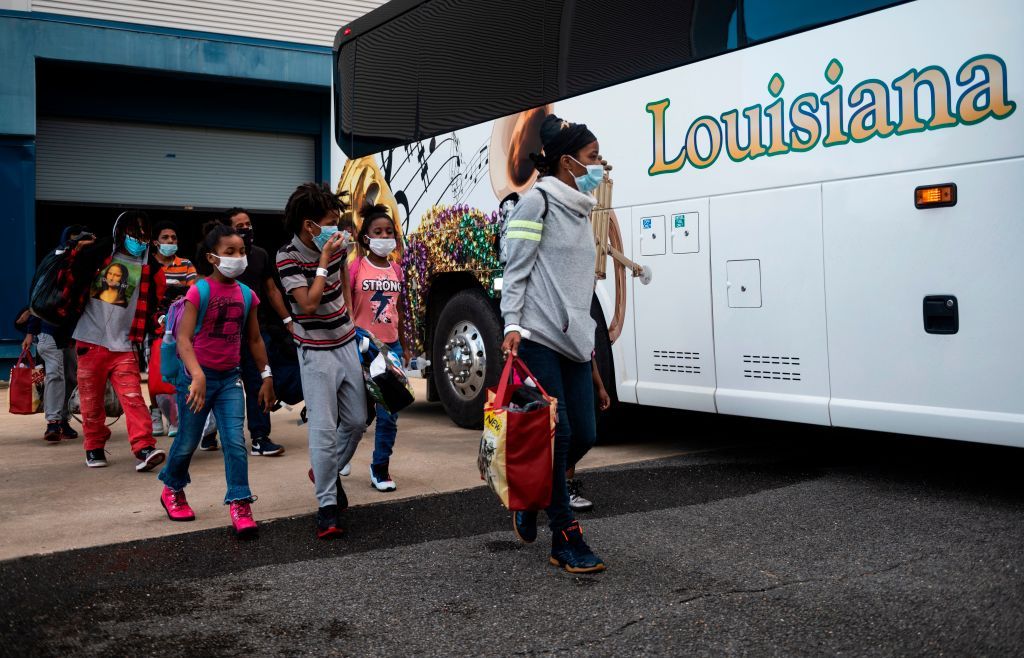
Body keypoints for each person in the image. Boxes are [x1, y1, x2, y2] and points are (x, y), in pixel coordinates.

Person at [500, 114, 607, 574]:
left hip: (574, 341)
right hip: (539, 337)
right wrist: (511, 326)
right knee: (558, 435)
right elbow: (516, 269)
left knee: (585, 433)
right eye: (592, 157)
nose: (601, 165)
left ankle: (534, 496)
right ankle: (564, 536)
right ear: (567, 162)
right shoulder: (536, 203)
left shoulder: (582, 209)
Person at [157, 224, 275, 538]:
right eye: (229, 252)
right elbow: (183, 340)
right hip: (197, 379)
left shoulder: (248, 295)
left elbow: (254, 340)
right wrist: (196, 375)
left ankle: (240, 502)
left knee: (235, 442)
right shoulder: (200, 291)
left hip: (229, 380)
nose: (238, 257)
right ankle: (172, 488)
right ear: (212, 257)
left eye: (241, 252)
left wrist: (266, 376)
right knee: (187, 442)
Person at [276, 182, 364, 539]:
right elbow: (308, 303)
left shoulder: (336, 248)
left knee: (357, 421)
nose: (337, 228)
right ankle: (327, 507)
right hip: (314, 351)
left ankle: (325, 470)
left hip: (345, 343)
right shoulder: (288, 257)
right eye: (330, 221)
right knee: (323, 430)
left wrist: (350, 314)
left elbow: (343, 279)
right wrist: (323, 261)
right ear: (309, 225)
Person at [68, 210, 167, 471]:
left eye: (145, 234)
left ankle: (144, 447)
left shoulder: (151, 267)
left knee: (133, 397)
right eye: (134, 233)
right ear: (120, 232)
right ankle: (94, 446)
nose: (140, 239)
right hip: (89, 341)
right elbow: (72, 282)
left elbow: (157, 301)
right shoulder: (98, 256)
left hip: (124, 344)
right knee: (91, 401)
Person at [215, 208, 291, 457]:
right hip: (224, 335)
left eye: (248, 224)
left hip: (255, 331)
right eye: (240, 225)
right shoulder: (220, 258)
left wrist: (288, 320)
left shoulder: (259, 255)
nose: (246, 229)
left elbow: (271, 290)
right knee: (219, 385)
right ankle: (207, 432)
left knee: (260, 381)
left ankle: (260, 437)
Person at [349, 202, 410, 492]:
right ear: (366, 237)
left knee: (390, 413)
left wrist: (404, 345)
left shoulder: (397, 270)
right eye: (378, 232)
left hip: (391, 349)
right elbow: (345, 307)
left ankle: (380, 466)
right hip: (362, 349)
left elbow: (400, 309)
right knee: (358, 414)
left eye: (389, 232)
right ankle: (342, 452)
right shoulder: (355, 267)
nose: (385, 237)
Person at [149, 220, 197, 438]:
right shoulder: (148, 265)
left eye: (173, 238)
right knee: (155, 372)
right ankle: (156, 414)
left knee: (177, 370)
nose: (170, 241)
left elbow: (192, 291)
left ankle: (175, 414)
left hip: (179, 326)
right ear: (155, 242)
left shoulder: (185, 264)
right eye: (165, 238)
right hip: (152, 326)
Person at [21, 312, 78, 442]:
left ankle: (63, 420)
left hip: (72, 334)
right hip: (49, 332)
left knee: (70, 377)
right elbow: (36, 307)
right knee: (55, 374)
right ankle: (53, 423)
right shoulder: (46, 290)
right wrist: (30, 333)